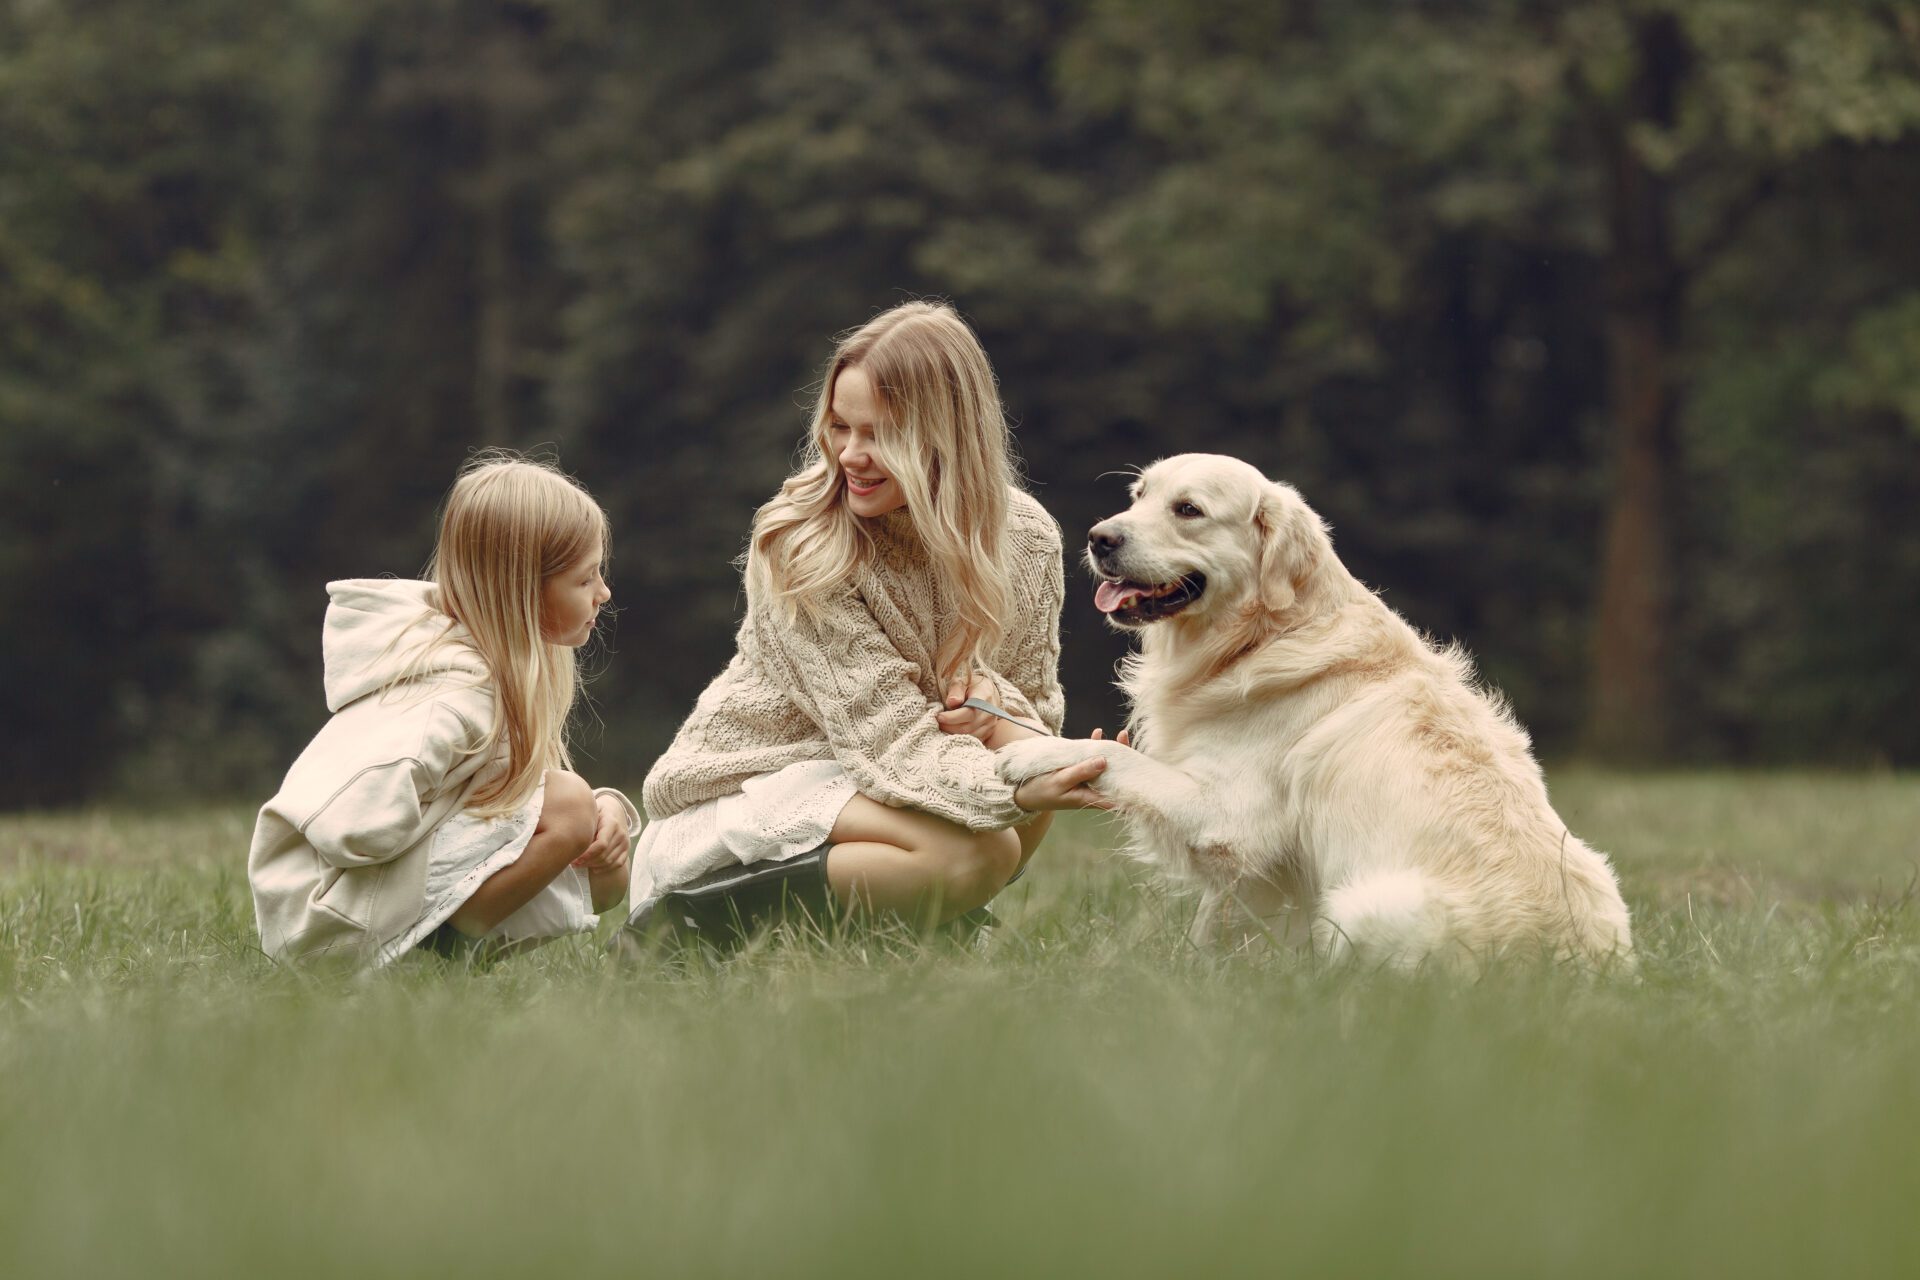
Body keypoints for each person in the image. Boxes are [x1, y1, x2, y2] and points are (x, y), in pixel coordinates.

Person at [621, 301, 1107, 949]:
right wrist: (1021, 782)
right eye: (841, 427)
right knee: (983, 848)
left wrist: (1002, 721)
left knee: (1021, 804)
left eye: (879, 434)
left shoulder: (1027, 539)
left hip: (882, 794)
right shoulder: (807, 544)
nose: (851, 455)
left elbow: (1033, 710)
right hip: (753, 800)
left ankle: (894, 932)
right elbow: (890, 747)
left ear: (949, 436)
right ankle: (683, 928)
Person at [248, 453, 638, 967]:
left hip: (358, 908)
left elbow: (513, 796)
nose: (604, 593)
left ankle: (438, 952)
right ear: (523, 587)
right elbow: (355, 826)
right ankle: (438, 960)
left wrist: (601, 816)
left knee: (603, 862)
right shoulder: (448, 696)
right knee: (568, 805)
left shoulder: (498, 672)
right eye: (585, 580)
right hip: (324, 924)